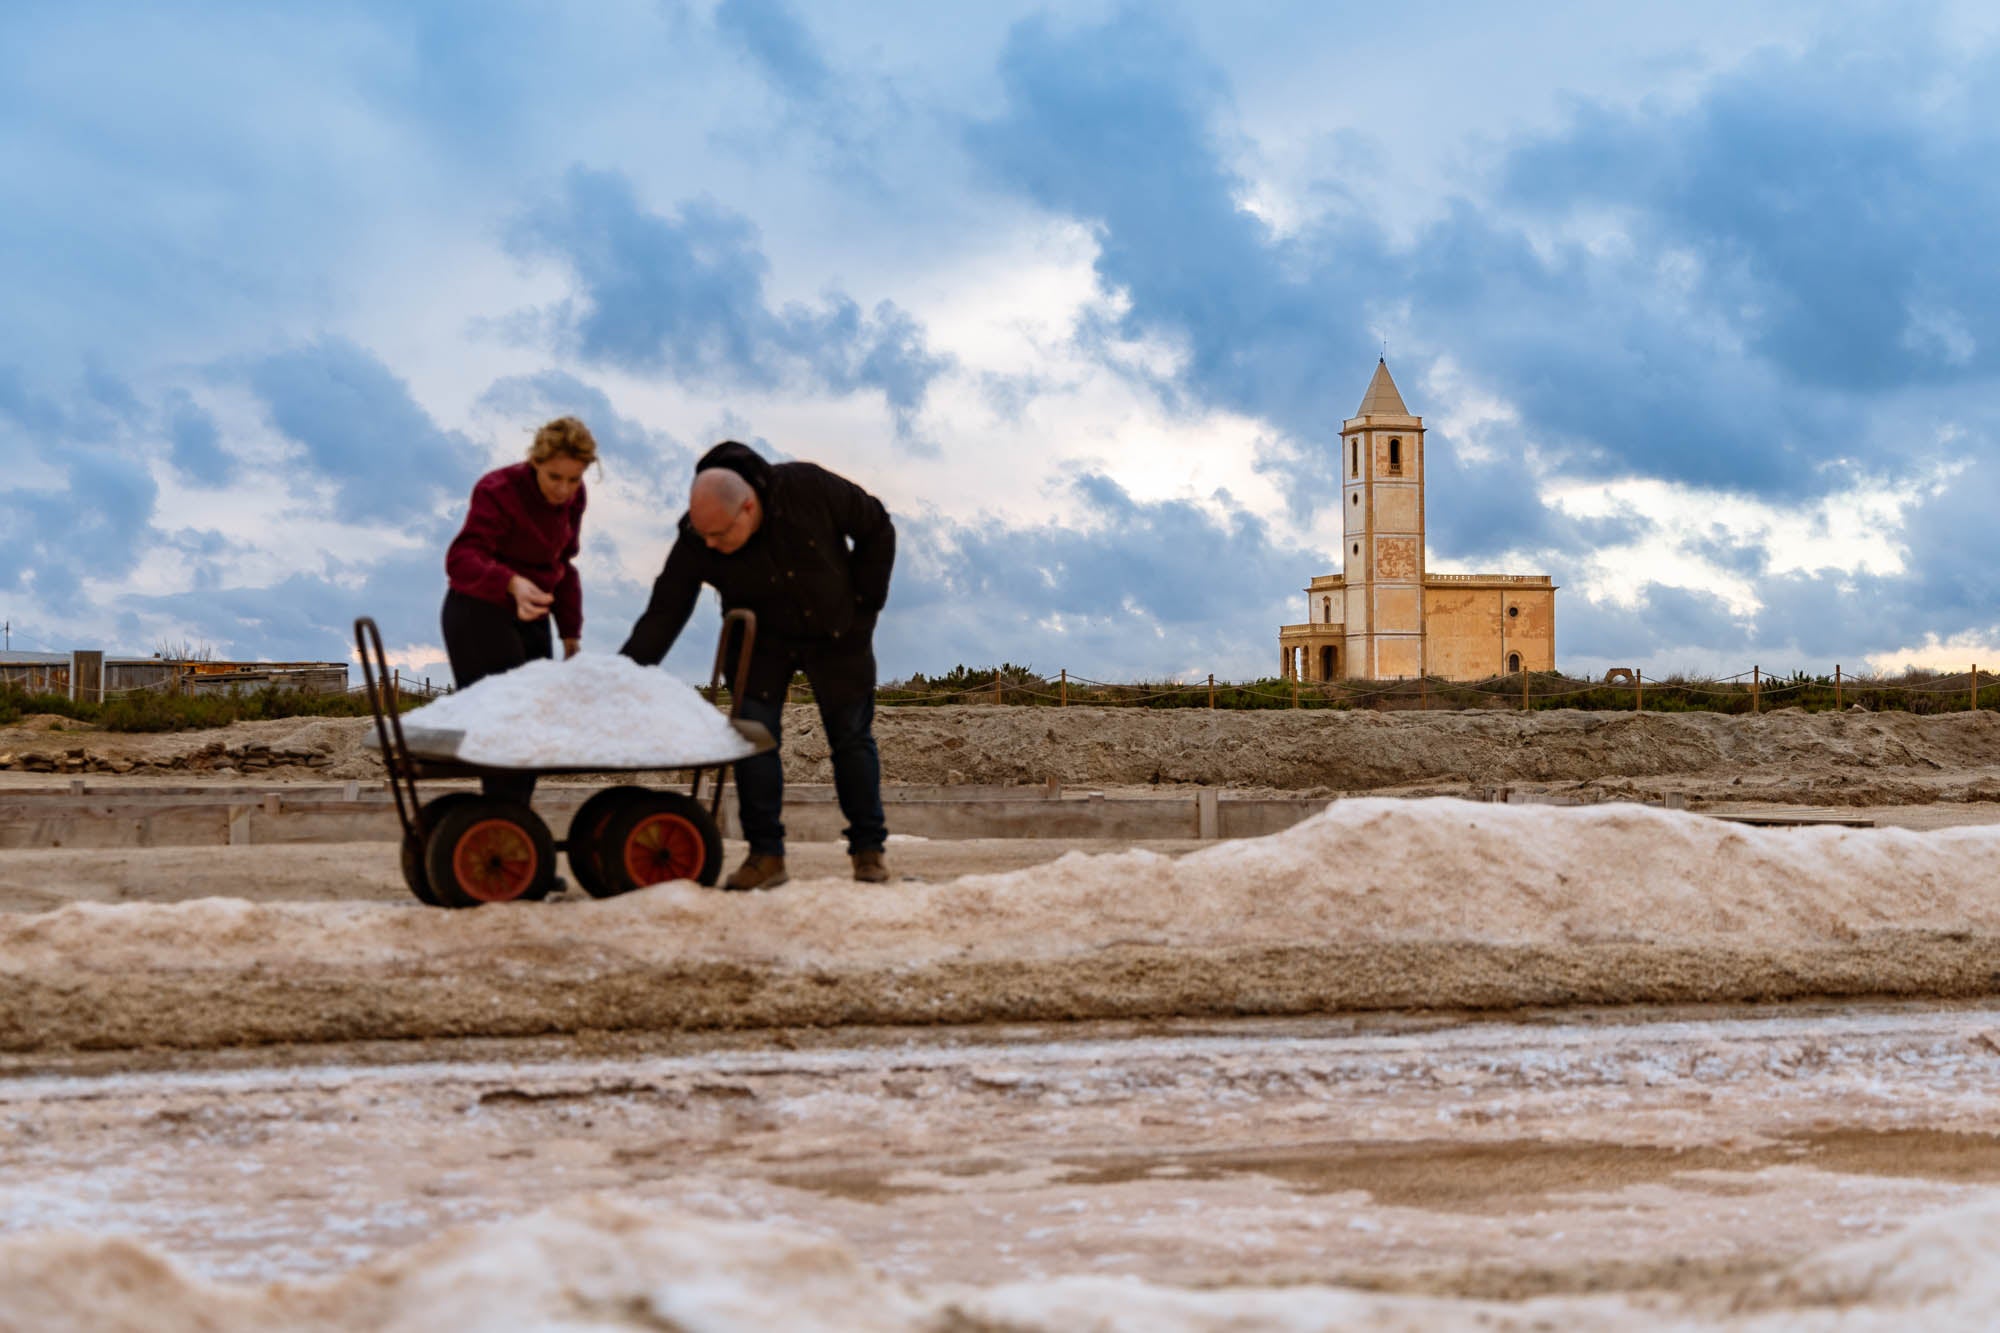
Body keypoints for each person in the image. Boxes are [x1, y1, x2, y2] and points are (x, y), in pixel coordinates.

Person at [621, 440, 895, 889]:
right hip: (761, 643)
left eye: (719, 536)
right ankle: (766, 856)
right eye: (703, 536)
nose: (709, 545)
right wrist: (625, 675)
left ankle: (869, 852)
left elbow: (877, 525)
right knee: (753, 738)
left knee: (851, 739)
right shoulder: (698, 534)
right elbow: (665, 611)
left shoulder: (808, 487)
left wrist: (865, 604)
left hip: (837, 635)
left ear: (748, 507)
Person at [441, 415, 596, 805]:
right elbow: (461, 558)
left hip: (533, 613)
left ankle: (513, 830)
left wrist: (571, 637)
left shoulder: (574, 499)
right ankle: (503, 829)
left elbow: (564, 565)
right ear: (535, 464)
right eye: (554, 477)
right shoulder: (497, 489)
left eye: (574, 479)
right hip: (478, 610)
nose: (564, 490)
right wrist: (510, 581)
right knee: (504, 727)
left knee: (532, 729)